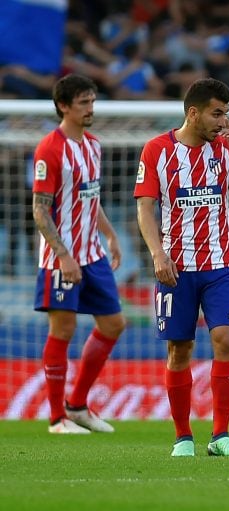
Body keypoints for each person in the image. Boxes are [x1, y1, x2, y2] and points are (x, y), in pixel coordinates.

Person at [134, 78, 229, 457]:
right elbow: (145, 206)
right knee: (180, 349)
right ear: (193, 113)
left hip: (222, 262)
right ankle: (182, 437)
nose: (223, 122)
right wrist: (157, 253)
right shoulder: (157, 150)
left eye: (226, 114)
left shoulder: (227, 150)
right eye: (217, 113)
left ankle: (221, 435)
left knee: (225, 338)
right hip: (175, 266)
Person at [32, 74, 126, 434]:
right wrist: (63, 255)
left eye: (93, 102)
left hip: (93, 253)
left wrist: (111, 235)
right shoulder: (50, 149)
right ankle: (57, 418)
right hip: (61, 256)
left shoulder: (93, 145)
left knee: (114, 324)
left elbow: (90, 198)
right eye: (84, 103)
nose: (90, 109)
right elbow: (40, 210)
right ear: (64, 106)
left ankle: (77, 405)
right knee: (63, 328)